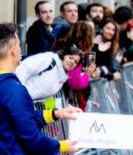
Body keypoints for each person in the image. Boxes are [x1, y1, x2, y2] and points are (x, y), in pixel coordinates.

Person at [0, 23, 82, 154]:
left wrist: (56, 114)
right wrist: (61, 146)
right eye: (19, 46)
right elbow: (30, 136)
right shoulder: (13, 90)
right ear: (13, 50)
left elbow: (22, 118)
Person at [15, 45, 83, 100]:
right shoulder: (48, 60)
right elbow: (23, 68)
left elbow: (49, 97)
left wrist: (52, 113)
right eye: (70, 58)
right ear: (63, 56)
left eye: (75, 62)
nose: (72, 62)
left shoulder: (62, 78)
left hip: (29, 106)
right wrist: (19, 93)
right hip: (16, 98)